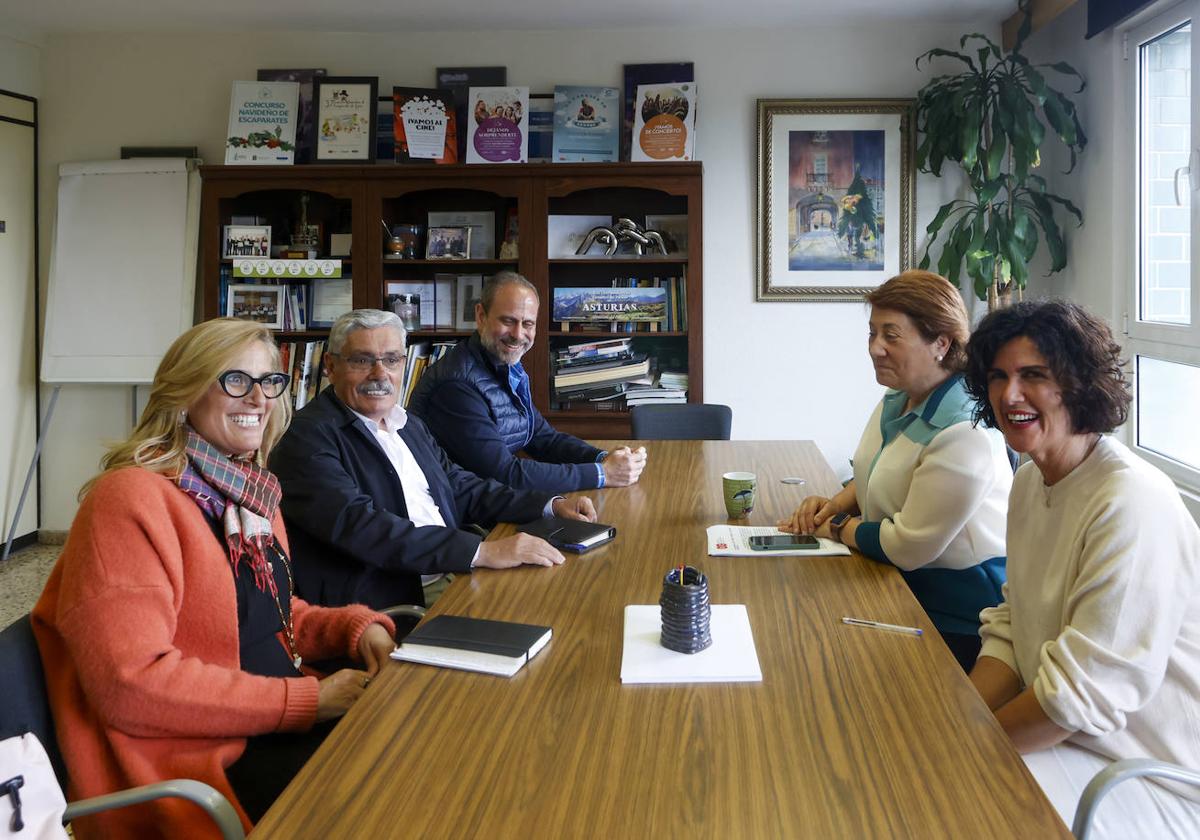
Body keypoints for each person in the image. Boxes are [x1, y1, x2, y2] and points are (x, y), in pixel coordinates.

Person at [31, 319, 397, 840]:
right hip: (198, 763)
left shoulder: (248, 494)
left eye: (269, 381)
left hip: (266, 719)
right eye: (234, 380)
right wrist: (307, 703)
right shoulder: (128, 500)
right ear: (183, 394)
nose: (258, 398)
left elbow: (266, 614)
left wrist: (356, 629)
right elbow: (131, 684)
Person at [962, 300, 1200, 836]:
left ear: (1076, 384)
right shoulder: (1029, 479)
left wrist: (966, 749)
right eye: (998, 376)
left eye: (1033, 376)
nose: (1009, 395)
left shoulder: (1129, 501)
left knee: (954, 804)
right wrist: (958, 723)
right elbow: (1011, 624)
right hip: (1071, 739)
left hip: (1148, 775)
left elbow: (1076, 700)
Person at [270, 308, 597, 611]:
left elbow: (461, 487)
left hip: (453, 570)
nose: (379, 373)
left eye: (392, 359)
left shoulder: (406, 423)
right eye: (362, 360)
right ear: (330, 366)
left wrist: (548, 505)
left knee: (571, 595)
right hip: (394, 599)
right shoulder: (305, 438)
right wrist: (483, 552)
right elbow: (364, 527)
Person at [780, 270, 1012, 670]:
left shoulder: (964, 432)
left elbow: (907, 547)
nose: (875, 348)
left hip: (956, 617)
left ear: (941, 342)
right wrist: (833, 504)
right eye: (872, 333)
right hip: (894, 581)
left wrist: (834, 526)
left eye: (891, 335)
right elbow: (875, 471)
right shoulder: (899, 397)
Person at [408, 271, 646, 493]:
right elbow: (504, 474)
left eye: (528, 324)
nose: (518, 334)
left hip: (496, 501)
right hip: (461, 516)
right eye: (508, 321)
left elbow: (543, 438)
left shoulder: (505, 365)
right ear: (481, 316)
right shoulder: (456, 387)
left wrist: (602, 458)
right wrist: (602, 474)